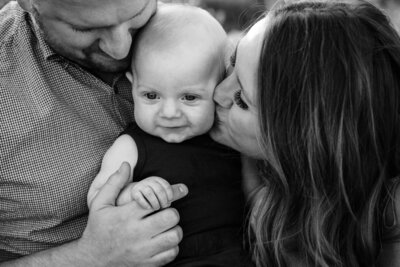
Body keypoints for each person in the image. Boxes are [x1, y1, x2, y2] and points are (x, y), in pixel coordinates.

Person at [210, 0, 400, 266]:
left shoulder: (388, 225)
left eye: (241, 100)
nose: (217, 93)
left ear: (301, 140)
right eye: (233, 63)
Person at [0, 0, 188, 265]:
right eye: (84, 29)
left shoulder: (190, 30)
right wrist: (87, 256)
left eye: (136, 15)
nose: (120, 48)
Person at [88, 4, 253, 266]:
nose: (169, 112)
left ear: (220, 84)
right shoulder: (130, 146)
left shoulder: (228, 136)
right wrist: (132, 193)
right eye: (151, 96)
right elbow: (99, 196)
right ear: (133, 85)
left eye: (189, 97)